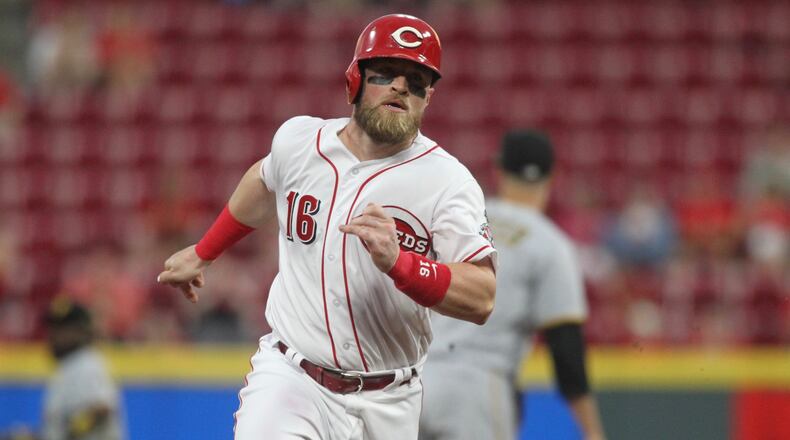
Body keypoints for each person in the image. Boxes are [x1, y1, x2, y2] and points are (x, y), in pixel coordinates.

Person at [157, 14, 497, 440]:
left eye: (416, 80)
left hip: (389, 399)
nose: (400, 87)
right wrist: (203, 251)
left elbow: (482, 297)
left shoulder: (448, 182)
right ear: (355, 81)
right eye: (386, 73)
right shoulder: (300, 141)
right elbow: (264, 183)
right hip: (292, 377)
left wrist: (401, 264)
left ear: (428, 97)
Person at [419, 130, 606, 440]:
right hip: (478, 386)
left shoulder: (463, 221)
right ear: (551, 177)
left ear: (500, 170)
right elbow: (566, 351)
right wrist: (592, 431)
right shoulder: (552, 245)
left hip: (417, 378)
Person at [42, 296, 124, 440]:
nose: (53, 336)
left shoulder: (87, 363)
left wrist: (69, 430)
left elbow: (102, 409)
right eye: (52, 329)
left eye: (61, 329)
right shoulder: (69, 366)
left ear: (81, 331)